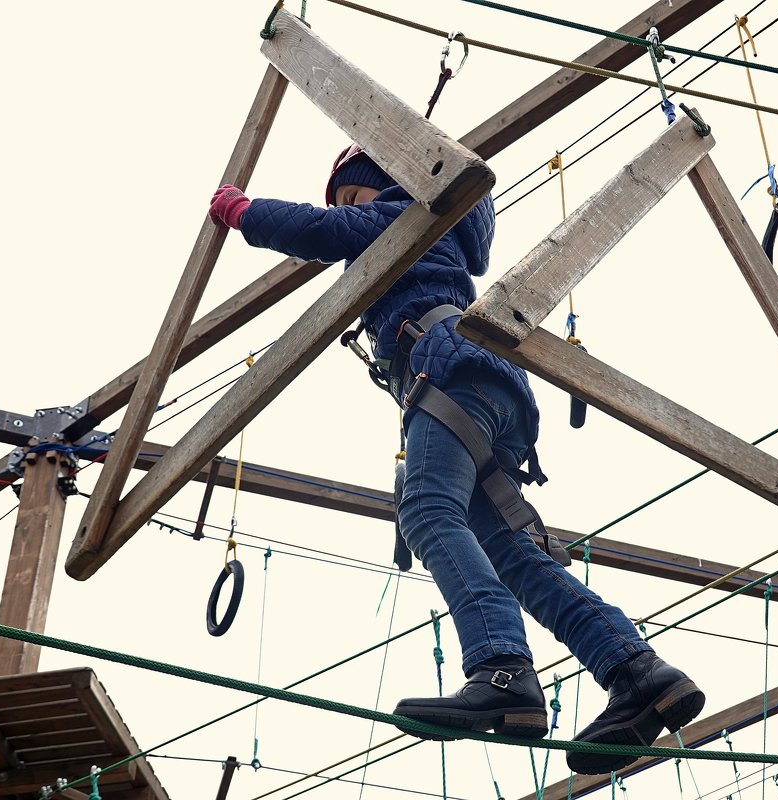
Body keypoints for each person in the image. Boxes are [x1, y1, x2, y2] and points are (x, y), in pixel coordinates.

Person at [207, 145, 704, 774]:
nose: (351, 212)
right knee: (512, 555)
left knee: (427, 511)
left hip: (448, 377)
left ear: (388, 188)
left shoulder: (402, 213)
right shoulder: (431, 238)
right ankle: (636, 671)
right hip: (483, 388)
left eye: (354, 197)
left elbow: (319, 230)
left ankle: (500, 668)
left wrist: (244, 212)